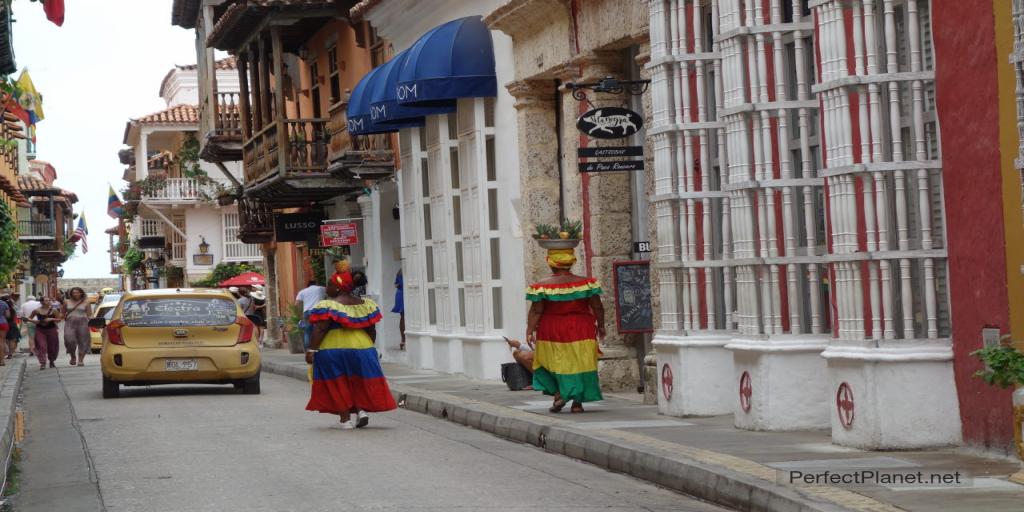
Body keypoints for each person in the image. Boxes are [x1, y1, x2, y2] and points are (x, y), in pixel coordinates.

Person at [306, 270, 397, 429]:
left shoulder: (328, 305)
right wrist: (370, 349)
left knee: (337, 382)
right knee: (359, 380)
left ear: (339, 288)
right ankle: (361, 411)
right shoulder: (366, 305)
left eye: (330, 285)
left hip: (333, 348)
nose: (326, 288)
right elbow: (371, 330)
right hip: (363, 347)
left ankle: (345, 419)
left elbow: (320, 329)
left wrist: (312, 350)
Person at [525, 247, 605, 413]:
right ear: (571, 263)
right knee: (580, 364)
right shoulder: (586, 283)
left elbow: (537, 310)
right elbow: (597, 306)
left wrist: (529, 330)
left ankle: (558, 393)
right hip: (581, 328)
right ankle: (577, 403)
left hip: (551, 329)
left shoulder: (542, 286)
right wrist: (602, 325)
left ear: (551, 264)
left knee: (550, 362)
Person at [61, 287, 93, 367]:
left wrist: (95, 321)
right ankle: (73, 356)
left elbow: (89, 315)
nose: (75, 294)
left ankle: (81, 360)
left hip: (83, 323)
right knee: (69, 340)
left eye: (77, 292)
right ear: (71, 294)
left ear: (81, 293)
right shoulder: (66, 302)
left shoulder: (86, 302)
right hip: (70, 323)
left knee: (83, 341)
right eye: (73, 293)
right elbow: (62, 313)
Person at [29, 295, 62, 370]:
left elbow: (59, 319)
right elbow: (29, 318)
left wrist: (51, 319)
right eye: (46, 300)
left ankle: (52, 361)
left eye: (48, 300)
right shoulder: (36, 310)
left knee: (52, 346)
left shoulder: (54, 310)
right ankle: (43, 362)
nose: (48, 302)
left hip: (51, 329)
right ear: (41, 302)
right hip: (40, 330)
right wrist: (33, 321)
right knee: (41, 346)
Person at [295, 280, 326, 350]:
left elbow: (296, 304)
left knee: (307, 331)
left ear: (308, 285)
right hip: (317, 311)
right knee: (318, 329)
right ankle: (317, 347)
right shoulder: (320, 288)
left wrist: (299, 315)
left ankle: (308, 350)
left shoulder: (302, 291)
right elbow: (330, 294)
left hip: (306, 312)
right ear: (316, 283)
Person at [2, 295, 20, 362]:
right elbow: (17, 315)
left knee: (5, 340)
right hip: (12, 324)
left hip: (5, 323)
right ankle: (10, 354)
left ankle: (5, 353)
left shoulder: (3, 307)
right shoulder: (12, 308)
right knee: (12, 339)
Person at [392, 269, 405, 351]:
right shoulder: (402, 271)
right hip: (403, 293)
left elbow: (396, 284)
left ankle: (403, 340)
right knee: (404, 317)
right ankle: (403, 340)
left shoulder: (400, 271)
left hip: (400, 294)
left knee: (403, 317)